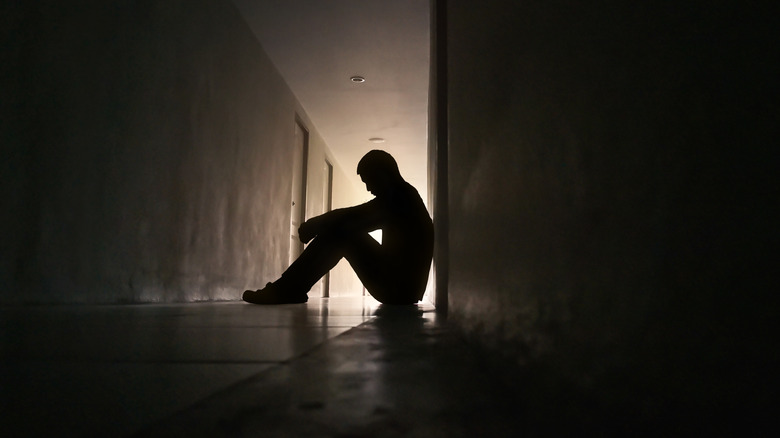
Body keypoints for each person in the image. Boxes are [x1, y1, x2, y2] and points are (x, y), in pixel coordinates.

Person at [243, 150, 433, 305]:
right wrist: (320, 224)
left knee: (341, 233)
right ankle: (289, 288)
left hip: (398, 290)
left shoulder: (401, 197)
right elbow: (358, 216)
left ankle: (286, 290)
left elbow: (356, 216)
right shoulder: (404, 196)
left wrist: (315, 224)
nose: (369, 188)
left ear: (383, 173)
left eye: (370, 181)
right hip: (400, 288)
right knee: (342, 230)